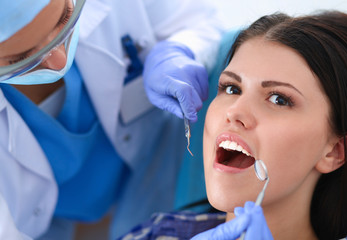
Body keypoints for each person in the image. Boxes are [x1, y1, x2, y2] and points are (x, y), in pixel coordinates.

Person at [119, 10, 347, 240]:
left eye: (279, 99)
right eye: (232, 88)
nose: (234, 111)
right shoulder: (157, 233)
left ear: (335, 151)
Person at [0, 0, 223, 239]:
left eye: (64, 18)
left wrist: (181, 49)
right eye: (20, 59)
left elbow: (206, 24)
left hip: (158, 172)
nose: (60, 61)